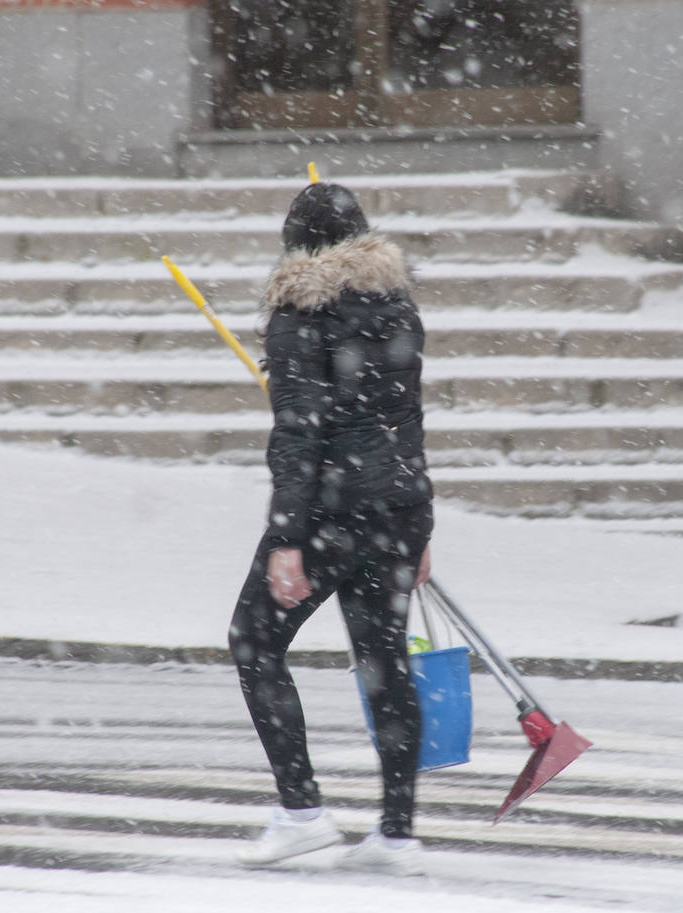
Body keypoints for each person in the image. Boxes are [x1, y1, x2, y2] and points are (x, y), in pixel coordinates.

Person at [228, 182, 434, 876]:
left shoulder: (299, 311)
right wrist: (420, 522)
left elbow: (298, 433)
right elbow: (406, 421)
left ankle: (302, 811)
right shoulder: (399, 306)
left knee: (254, 638)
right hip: (398, 509)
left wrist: (288, 537)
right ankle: (399, 834)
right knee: (384, 660)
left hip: (330, 511)